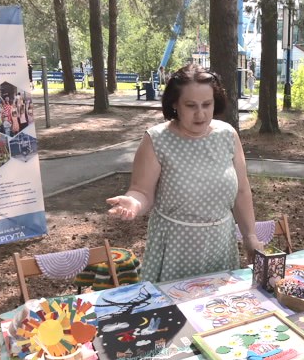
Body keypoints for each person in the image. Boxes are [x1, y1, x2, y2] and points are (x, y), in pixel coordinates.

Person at [106, 63, 262, 283]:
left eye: (207, 104)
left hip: (220, 247)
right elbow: (142, 191)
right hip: (175, 249)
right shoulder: (157, 140)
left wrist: (250, 236)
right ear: (175, 104)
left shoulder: (228, 135)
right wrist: (133, 202)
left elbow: (242, 192)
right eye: (191, 106)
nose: (201, 114)